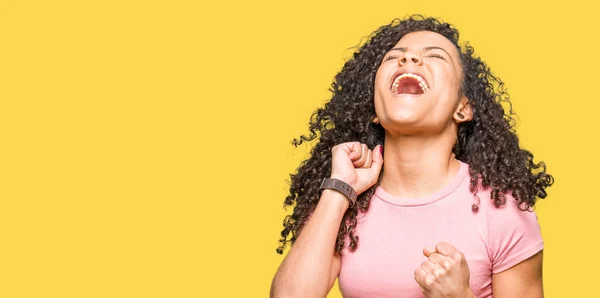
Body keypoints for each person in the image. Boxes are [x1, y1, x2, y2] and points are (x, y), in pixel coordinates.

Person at [270, 15, 553, 298]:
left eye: (435, 56)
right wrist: (339, 190)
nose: (409, 61)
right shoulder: (347, 202)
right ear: (374, 110)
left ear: (463, 108)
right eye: (395, 57)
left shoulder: (501, 210)